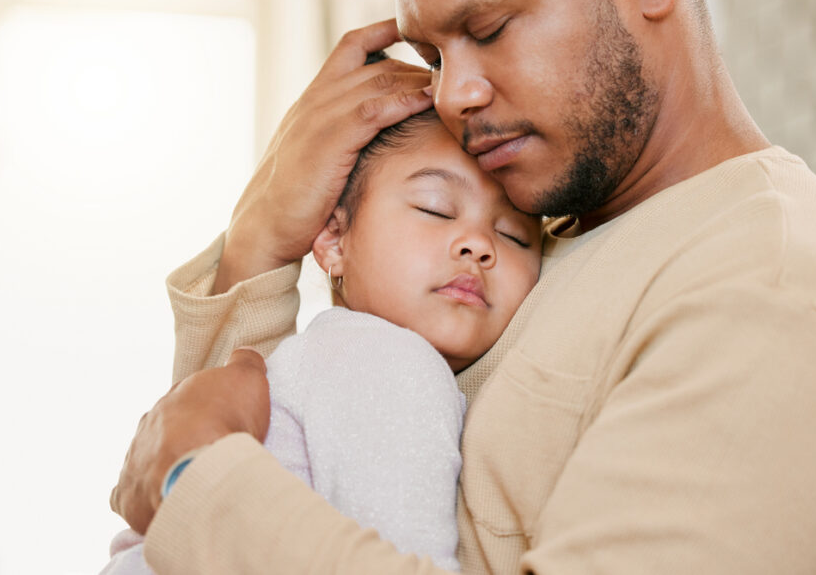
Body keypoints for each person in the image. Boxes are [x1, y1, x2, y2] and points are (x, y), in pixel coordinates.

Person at [111, 0, 816, 573]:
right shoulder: (544, 222)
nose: (455, 93)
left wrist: (199, 482)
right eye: (432, 50)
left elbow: (196, 484)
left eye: (491, 28)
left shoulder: (774, 283)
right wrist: (262, 241)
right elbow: (271, 459)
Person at [101, 108, 543, 573]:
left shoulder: (313, 357)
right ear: (334, 239)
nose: (477, 244)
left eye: (514, 235)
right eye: (435, 207)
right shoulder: (390, 360)